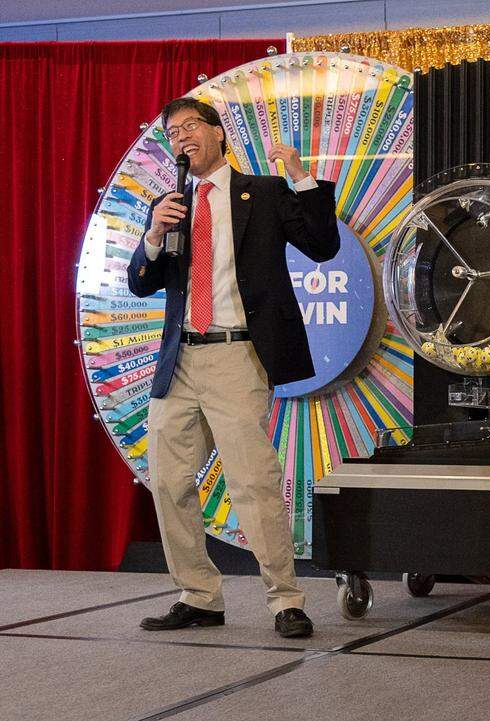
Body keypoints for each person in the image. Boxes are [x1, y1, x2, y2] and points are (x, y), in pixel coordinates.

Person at [128, 98, 340, 638]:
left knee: (253, 482)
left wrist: (302, 179)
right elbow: (141, 282)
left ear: (218, 133)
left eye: (189, 127)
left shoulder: (263, 194)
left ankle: (285, 600)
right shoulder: (170, 202)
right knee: (169, 481)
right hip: (179, 359)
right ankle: (199, 595)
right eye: (172, 133)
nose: (180, 139)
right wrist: (153, 235)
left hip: (236, 356)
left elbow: (322, 246)